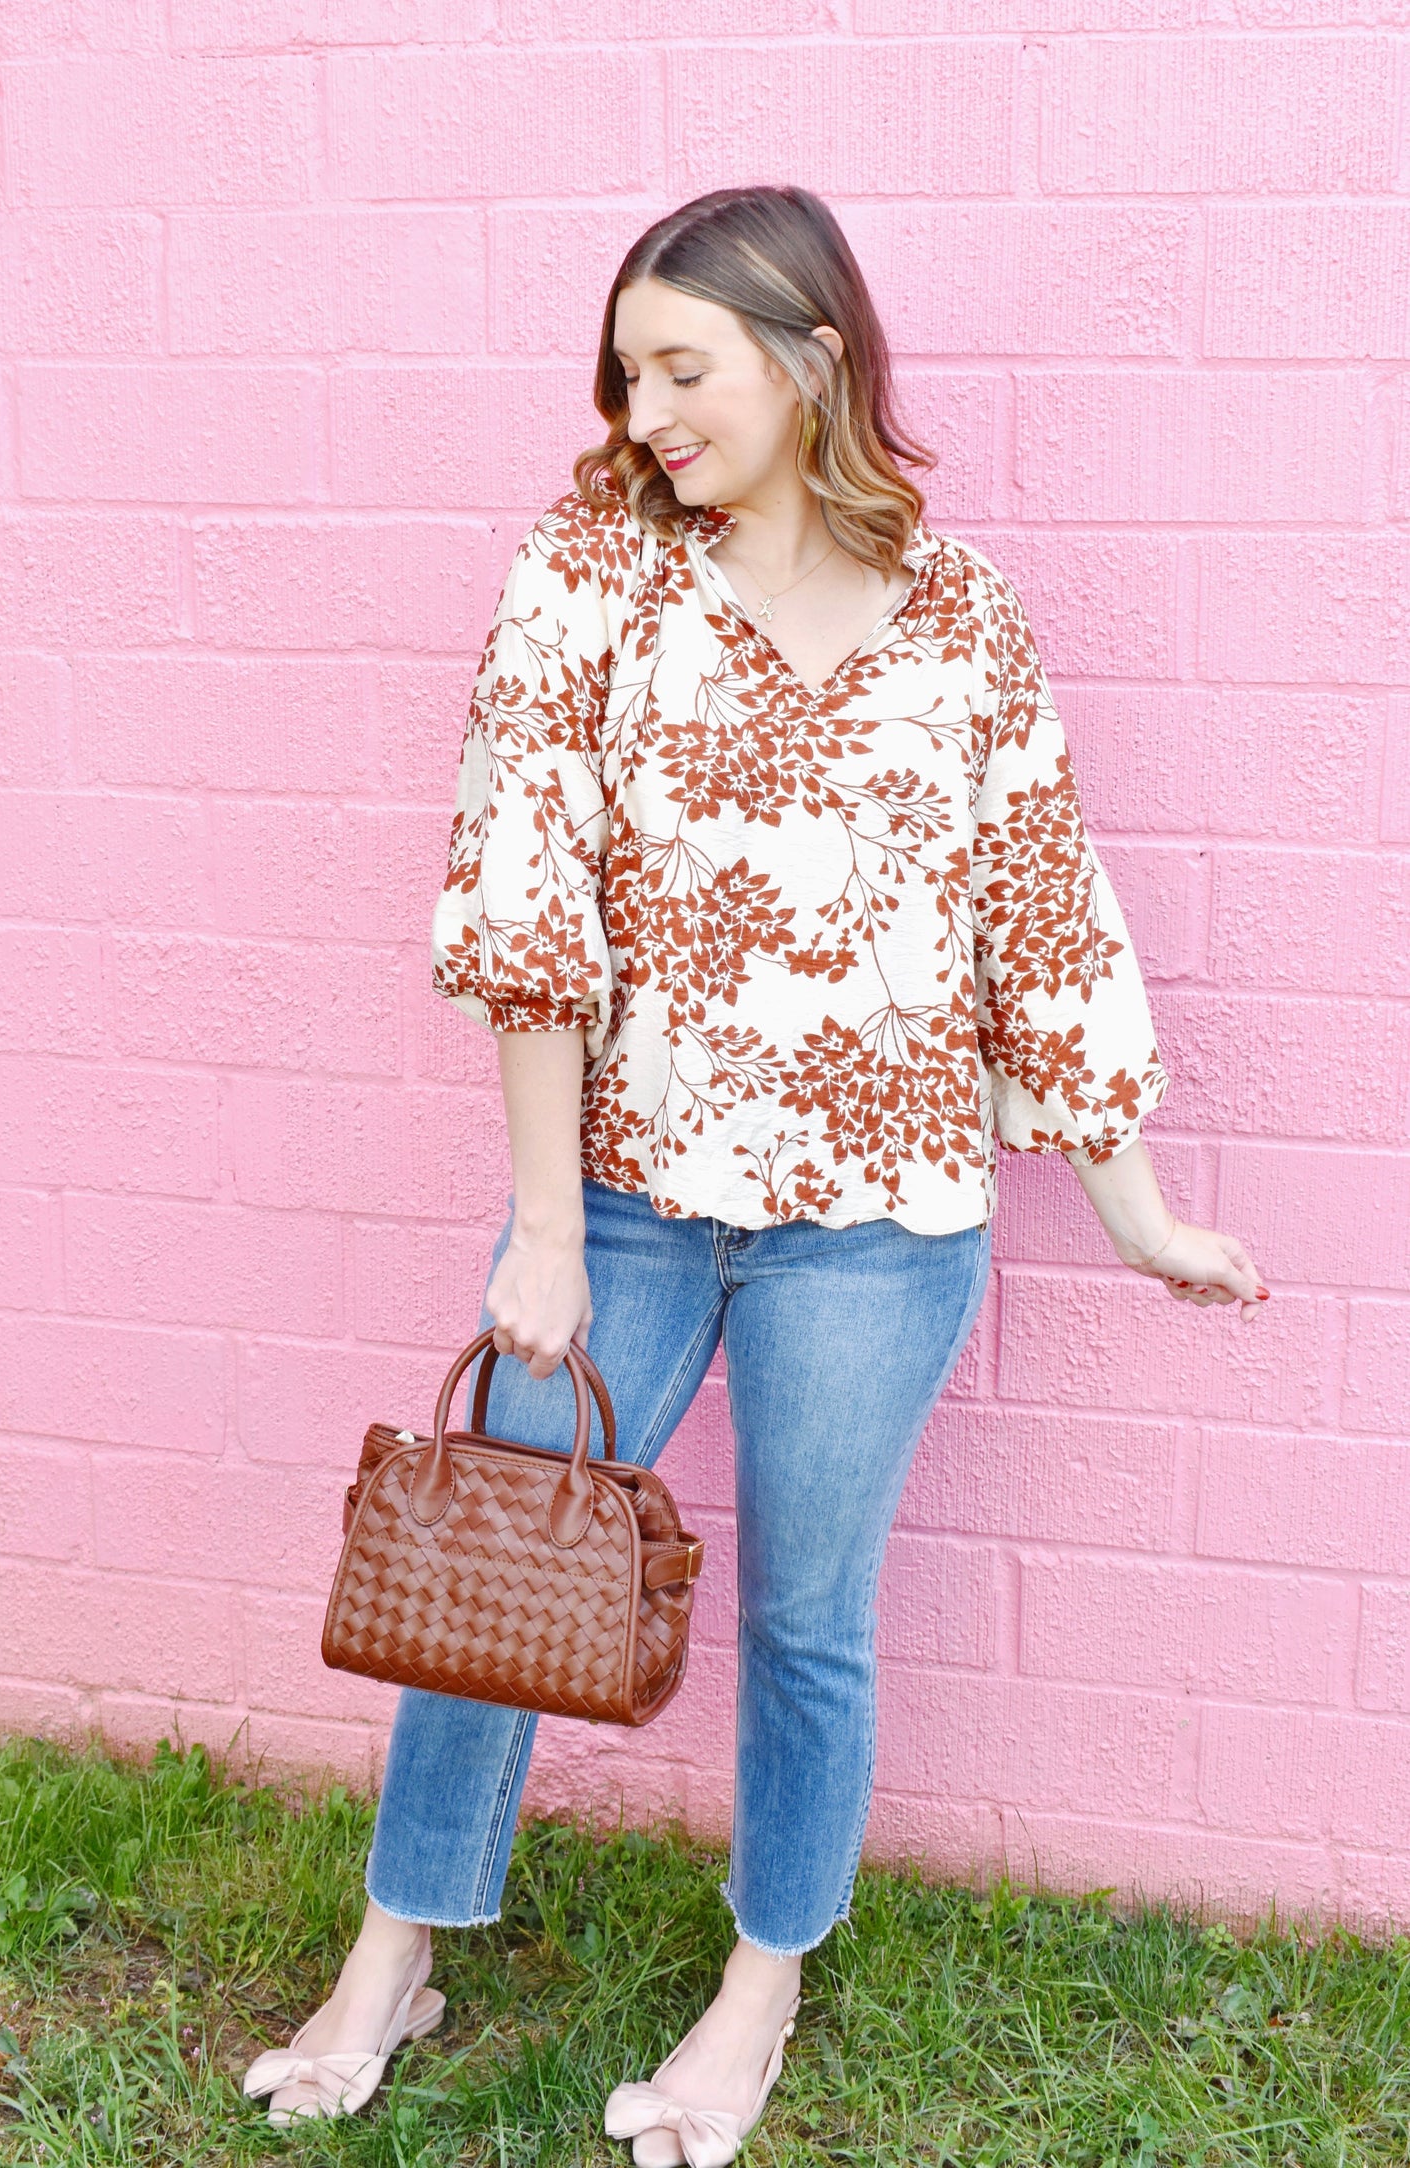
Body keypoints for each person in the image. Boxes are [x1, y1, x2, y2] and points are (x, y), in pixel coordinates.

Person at [244, 185, 1269, 2161]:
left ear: (809, 359)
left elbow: (1038, 917)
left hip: (882, 1231)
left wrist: (1140, 1213)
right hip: (623, 1194)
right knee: (492, 1555)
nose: (643, 408)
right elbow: (522, 886)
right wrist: (544, 1225)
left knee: (812, 1612)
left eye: (683, 366)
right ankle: (397, 1952)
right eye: (626, 371)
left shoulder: (964, 614)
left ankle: (758, 1987)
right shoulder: (590, 569)